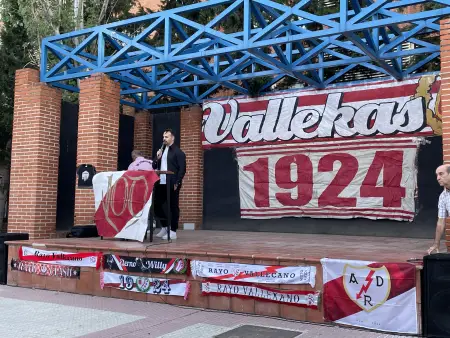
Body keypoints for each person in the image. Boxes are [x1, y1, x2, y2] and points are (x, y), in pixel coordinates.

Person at [152, 129, 186, 240]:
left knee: (173, 206)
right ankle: (165, 227)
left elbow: (182, 169)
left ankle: (173, 231)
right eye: (163, 137)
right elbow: (154, 166)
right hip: (161, 182)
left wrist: (178, 182)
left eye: (166, 137)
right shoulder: (161, 151)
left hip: (172, 182)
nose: (164, 139)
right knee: (156, 205)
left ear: (172, 138)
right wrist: (157, 157)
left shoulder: (178, 152)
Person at [427, 164, 450, 255]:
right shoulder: (443, 196)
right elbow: (441, 222)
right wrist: (436, 244)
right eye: (437, 175)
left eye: (441, 174)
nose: (438, 178)